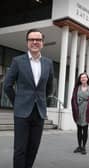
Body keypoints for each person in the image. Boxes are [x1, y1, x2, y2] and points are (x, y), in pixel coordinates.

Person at [4, 28, 54, 168]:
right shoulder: (17, 61)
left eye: (38, 39)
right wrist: (17, 103)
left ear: (42, 43)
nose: (35, 42)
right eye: (32, 39)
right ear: (27, 43)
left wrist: (43, 101)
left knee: (33, 148)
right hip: (22, 113)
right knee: (20, 149)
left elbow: (49, 87)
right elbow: (7, 85)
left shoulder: (48, 63)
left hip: (39, 112)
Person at [71, 72, 89, 155]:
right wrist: (74, 107)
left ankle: (83, 147)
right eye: (82, 78)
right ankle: (79, 146)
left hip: (87, 110)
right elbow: (73, 98)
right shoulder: (76, 88)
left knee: (85, 129)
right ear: (80, 79)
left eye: (85, 77)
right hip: (78, 109)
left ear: (87, 79)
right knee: (79, 129)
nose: (83, 79)